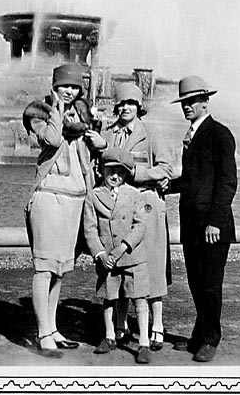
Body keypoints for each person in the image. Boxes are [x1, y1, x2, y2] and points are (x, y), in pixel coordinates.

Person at [85, 82, 174, 351]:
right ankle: (120, 326)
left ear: (139, 107)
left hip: (146, 202)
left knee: (153, 266)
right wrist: (100, 147)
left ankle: (156, 325)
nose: (125, 108)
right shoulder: (110, 133)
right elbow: (104, 165)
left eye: (131, 104)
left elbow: (166, 168)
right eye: (121, 104)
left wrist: (136, 174)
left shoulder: (150, 132)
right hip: (118, 205)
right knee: (122, 265)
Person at [22, 63, 100, 358]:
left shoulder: (82, 117)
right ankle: (43, 334)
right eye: (64, 86)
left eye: (75, 87)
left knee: (60, 271)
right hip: (49, 198)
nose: (70, 91)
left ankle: (53, 328)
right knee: (44, 269)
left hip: (74, 201)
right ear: (53, 85)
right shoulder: (38, 114)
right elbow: (53, 139)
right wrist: (56, 107)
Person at [167, 75, 237, 363]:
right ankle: (199, 335)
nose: (187, 106)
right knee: (196, 282)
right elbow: (195, 179)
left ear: (205, 101)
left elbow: (227, 182)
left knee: (209, 284)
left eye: (192, 101)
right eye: (184, 102)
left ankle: (210, 339)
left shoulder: (219, 134)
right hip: (191, 224)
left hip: (211, 227)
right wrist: (168, 186)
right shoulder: (193, 134)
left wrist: (215, 222)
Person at [88, 148, 152, 364]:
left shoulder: (135, 195)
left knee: (139, 297)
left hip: (131, 255)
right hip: (107, 258)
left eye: (121, 173)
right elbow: (89, 229)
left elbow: (140, 225)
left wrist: (123, 247)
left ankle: (144, 342)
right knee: (108, 296)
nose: (115, 176)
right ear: (102, 170)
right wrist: (100, 254)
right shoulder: (93, 196)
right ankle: (109, 336)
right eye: (111, 171)